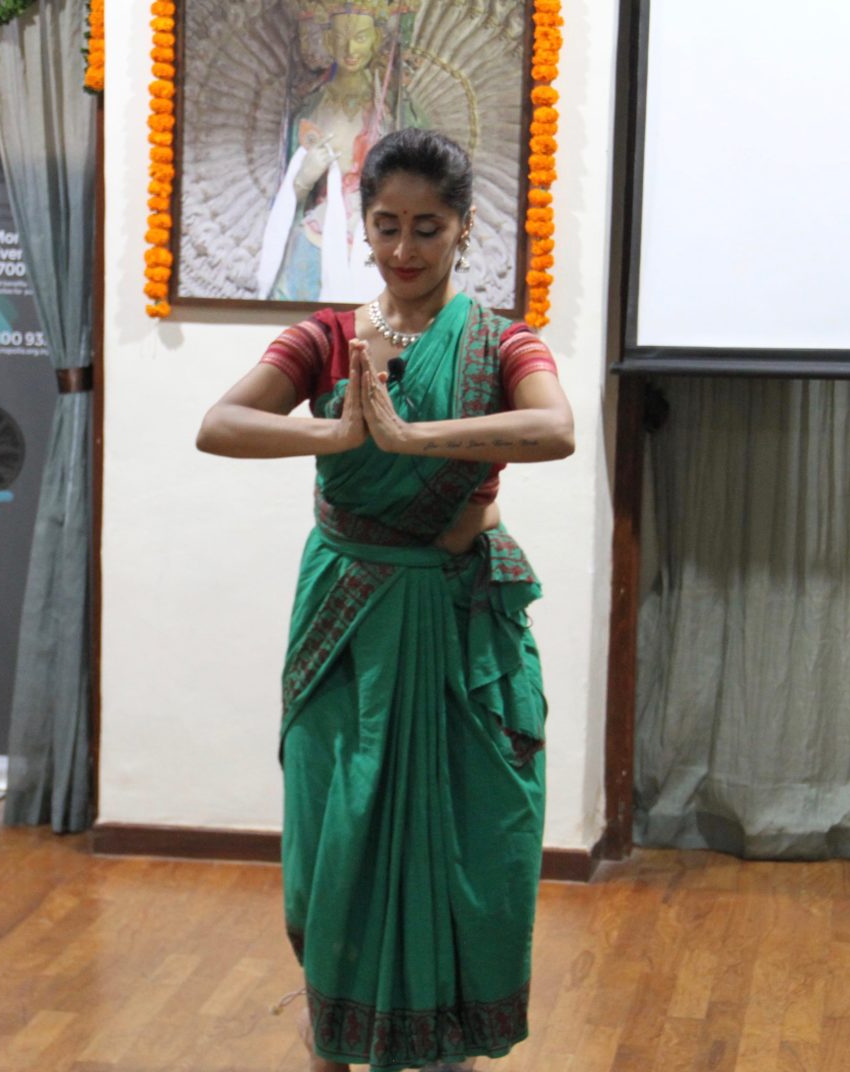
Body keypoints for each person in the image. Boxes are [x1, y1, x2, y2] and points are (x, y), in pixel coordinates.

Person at [199, 128, 573, 1072]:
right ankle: (334, 1031)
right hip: (348, 625)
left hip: (456, 629)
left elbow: (555, 427)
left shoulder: (501, 342)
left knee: (469, 837)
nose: (404, 249)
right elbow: (221, 424)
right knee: (334, 834)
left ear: (464, 228)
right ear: (362, 225)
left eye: (428, 228)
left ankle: (442, 1043)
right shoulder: (327, 337)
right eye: (387, 226)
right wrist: (337, 437)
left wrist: (414, 439)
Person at [256, 1, 425, 302]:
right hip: (318, 229)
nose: (350, 48)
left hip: (378, 230)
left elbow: (420, 178)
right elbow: (290, 192)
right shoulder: (311, 106)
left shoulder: (395, 110)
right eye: (341, 37)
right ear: (328, 41)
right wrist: (305, 177)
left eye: (360, 37)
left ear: (375, 39)